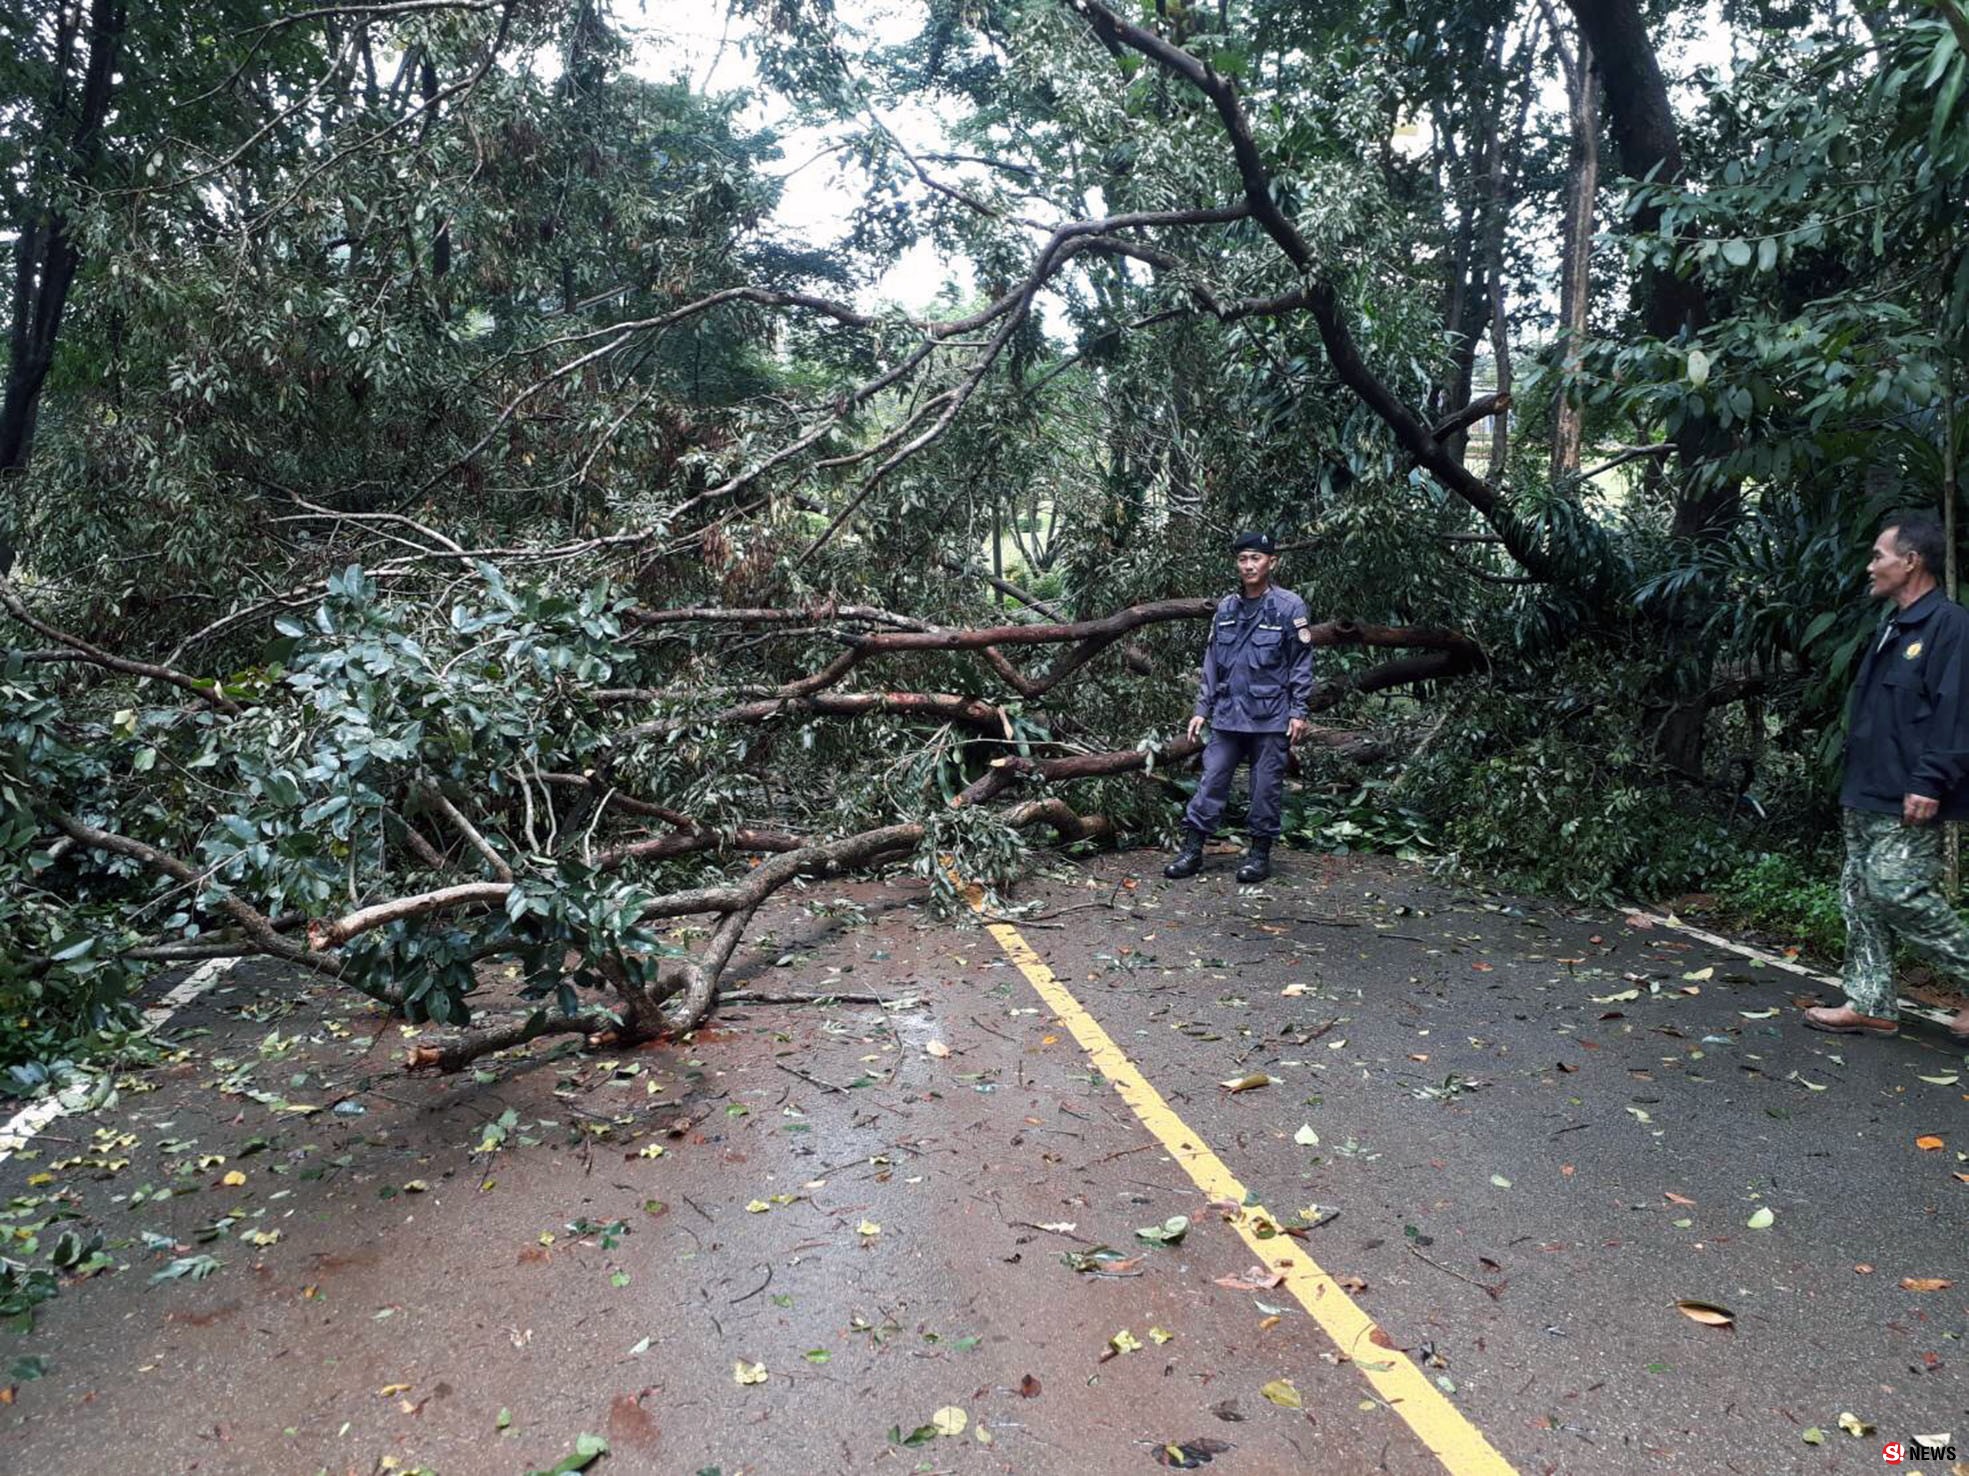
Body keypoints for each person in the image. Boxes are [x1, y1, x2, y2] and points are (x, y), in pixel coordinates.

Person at [1804, 513, 1969, 1042]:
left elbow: (1957, 710)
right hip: (1868, 786)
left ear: (1911, 561)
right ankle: (1871, 1001)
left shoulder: (1950, 624)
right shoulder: (1892, 627)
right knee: (1860, 893)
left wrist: (1931, 779)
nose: (1871, 566)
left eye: (1879, 555)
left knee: (1895, 888)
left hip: (1911, 789)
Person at [1164, 530, 1315, 884]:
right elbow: (1212, 661)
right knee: (1211, 782)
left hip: (1270, 717)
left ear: (1271, 562)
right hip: (1228, 716)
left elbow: (1301, 663)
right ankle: (1192, 851)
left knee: (1265, 789)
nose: (1248, 565)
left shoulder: (1289, 607)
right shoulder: (1227, 609)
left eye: (1256, 558)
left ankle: (1259, 856)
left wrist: (1298, 711)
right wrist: (1202, 708)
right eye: (1243, 559)